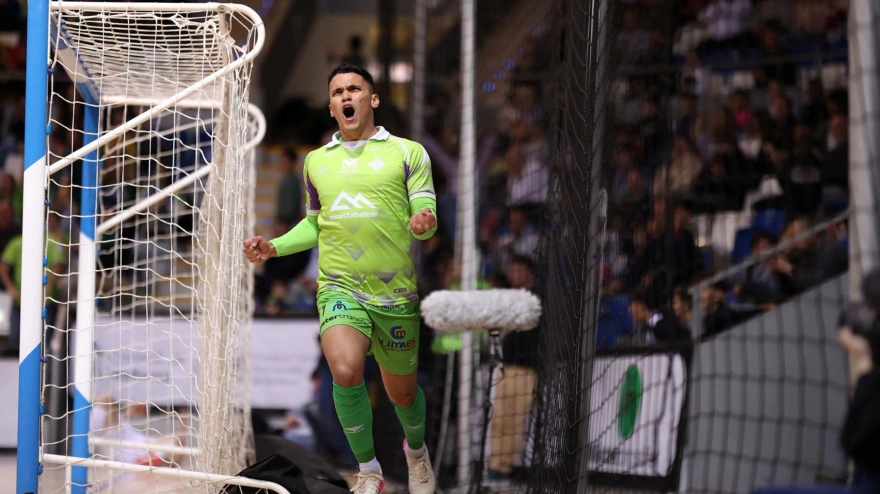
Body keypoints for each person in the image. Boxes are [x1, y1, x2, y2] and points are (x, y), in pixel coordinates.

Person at [242, 64, 437, 494]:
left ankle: (417, 455)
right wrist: (275, 246)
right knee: (345, 370)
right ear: (332, 107)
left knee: (403, 395)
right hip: (339, 287)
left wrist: (423, 223)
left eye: (354, 88)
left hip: (395, 294)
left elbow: (425, 210)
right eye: (337, 92)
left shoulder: (408, 153)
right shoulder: (315, 162)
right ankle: (368, 471)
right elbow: (314, 225)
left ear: (373, 99)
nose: (346, 96)